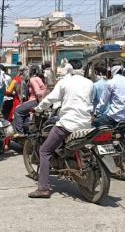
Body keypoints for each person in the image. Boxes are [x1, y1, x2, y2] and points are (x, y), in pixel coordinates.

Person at [28, 61, 94, 198]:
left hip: (68, 123)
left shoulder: (64, 82)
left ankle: (43, 189)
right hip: (86, 124)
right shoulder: (89, 83)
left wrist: (38, 108)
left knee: (45, 151)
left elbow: (50, 99)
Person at [13, 66, 47, 136]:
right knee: (23, 112)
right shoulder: (39, 78)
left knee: (17, 111)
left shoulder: (32, 79)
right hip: (37, 101)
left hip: (35, 101)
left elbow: (38, 92)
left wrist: (41, 105)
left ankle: (19, 133)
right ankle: (27, 130)